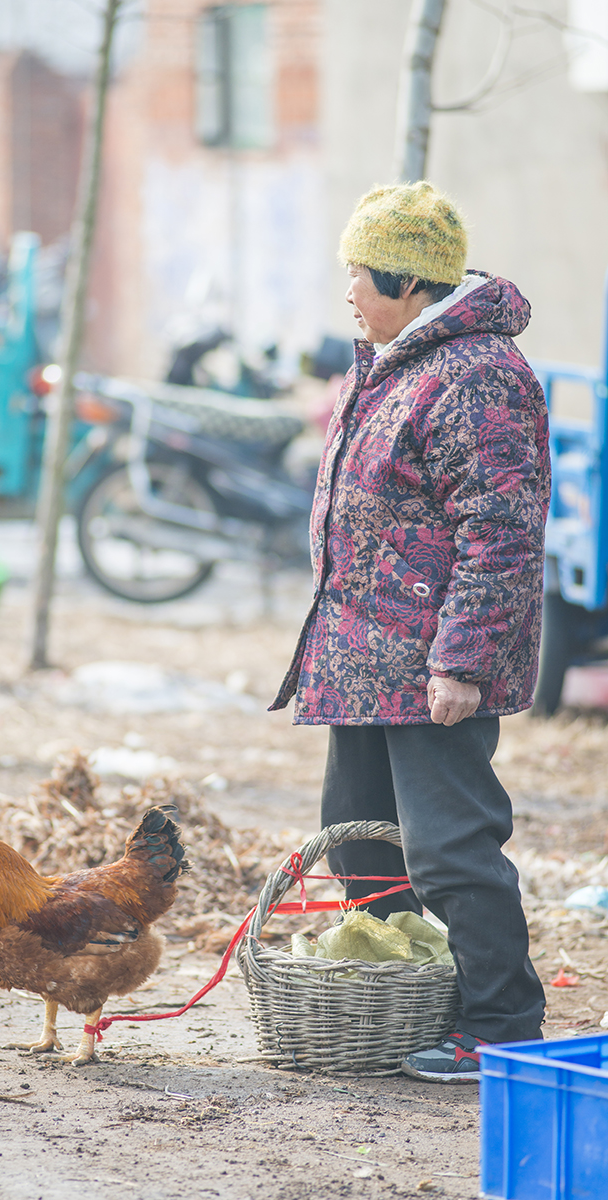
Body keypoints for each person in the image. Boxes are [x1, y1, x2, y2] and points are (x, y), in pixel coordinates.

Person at [271, 181, 550, 1082]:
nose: (346, 290)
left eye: (357, 273)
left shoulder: (479, 376)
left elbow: (501, 530)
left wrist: (463, 661)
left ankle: (501, 1025)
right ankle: (400, 999)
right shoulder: (395, 358)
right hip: (362, 656)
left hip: (431, 663)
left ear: (408, 281)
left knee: (449, 848)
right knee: (355, 839)